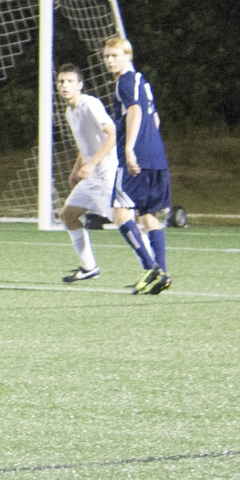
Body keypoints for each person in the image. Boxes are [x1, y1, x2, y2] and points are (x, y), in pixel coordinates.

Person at [100, 35, 171, 294]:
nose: (109, 60)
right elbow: (156, 119)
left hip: (137, 157)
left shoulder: (125, 82)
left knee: (120, 213)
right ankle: (161, 274)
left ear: (127, 56)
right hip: (157, 156)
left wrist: (130, 149)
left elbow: (135, 111)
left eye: (114, 55)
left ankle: (150, 266)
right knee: (148, 214)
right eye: (107, 56)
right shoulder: (144, 82)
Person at [54, 62, 118, 283]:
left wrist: (92, 165)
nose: (65, 85)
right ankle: (89, 267)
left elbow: (112, 135)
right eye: (61, 81)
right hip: (90, 177)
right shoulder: (69, 112)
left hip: (106, 173)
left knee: (124, 221)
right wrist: (76, 169)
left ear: (80, 85)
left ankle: (152, 264)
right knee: (68, 216)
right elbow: (85, 146)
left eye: (70, 81)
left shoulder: (90, 104)